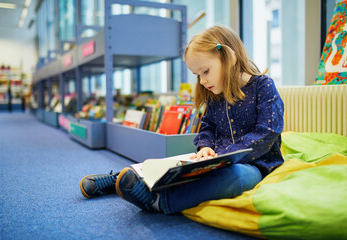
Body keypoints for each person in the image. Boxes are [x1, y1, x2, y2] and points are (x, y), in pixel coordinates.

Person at [80, 25, 284, 214]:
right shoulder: (215, 93)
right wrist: (205, 147)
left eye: (205, 71)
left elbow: (267, 131)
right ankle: (119, 179)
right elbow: (208, 126)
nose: (202, 81)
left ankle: (159, 202)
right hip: (214, 159)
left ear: (229, 58)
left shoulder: (263, 86)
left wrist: (227, 155)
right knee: (176, 164)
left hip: (255, 165)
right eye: (197, 75)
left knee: (238, 178)